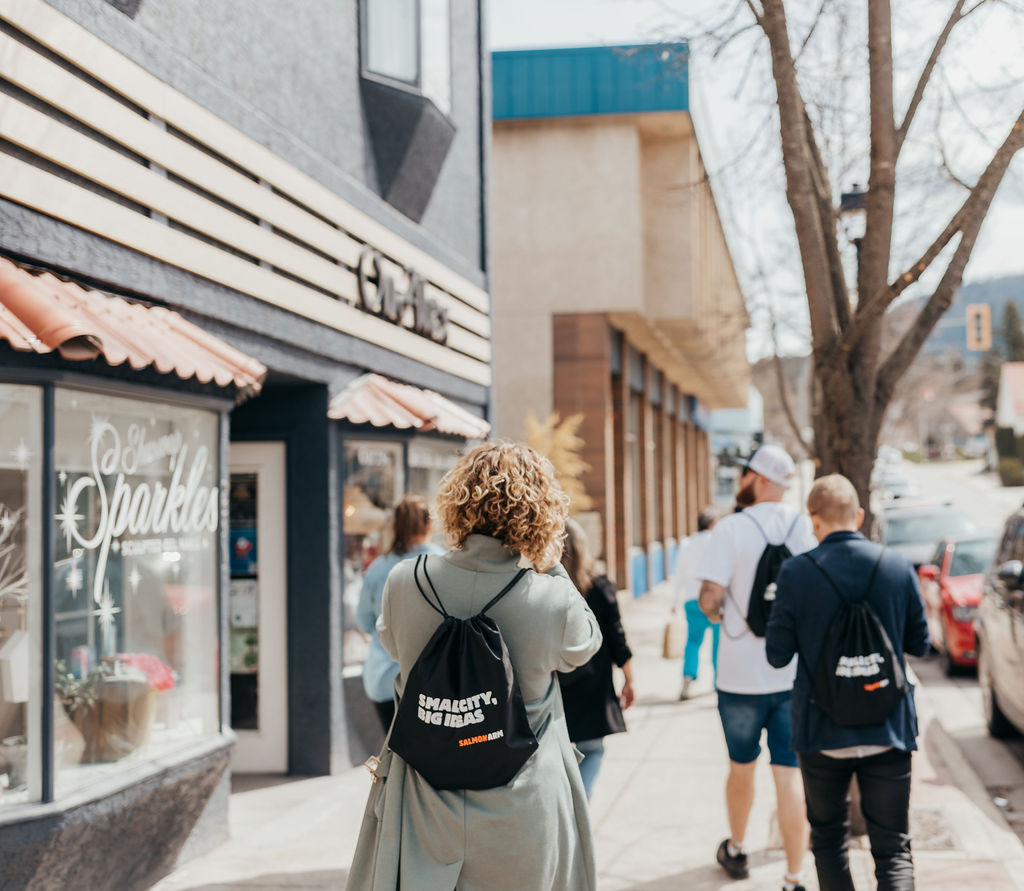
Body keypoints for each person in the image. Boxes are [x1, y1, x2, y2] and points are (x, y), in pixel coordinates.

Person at [347, 442, 602, 891]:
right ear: (540, 510)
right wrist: (551, 567)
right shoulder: (550, 598)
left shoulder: (405, 582)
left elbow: (390, 642)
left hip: (426, 805)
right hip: (524, 809)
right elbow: (585, 645)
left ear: (458, 502)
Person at [766, 474, 929, 891]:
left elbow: (777, 654)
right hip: (888, 725)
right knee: (893, 849)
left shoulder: (795, 573)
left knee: (828, 842)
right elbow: (920, 644)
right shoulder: (895, 566)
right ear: (857, 516)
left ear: (813, 521)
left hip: (822, 730)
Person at [697, 443, 817, 891]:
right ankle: (793, 875)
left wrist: (722, 613)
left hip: (739, 678)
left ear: (761, 479)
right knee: (789, 776)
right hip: (790, 676)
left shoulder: (730, 529)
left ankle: (738, 847)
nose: (742, 479)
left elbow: (709, 601)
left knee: (741, 767)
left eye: (747, 473)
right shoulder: (805, 528)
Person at [557, 517, 634, 798]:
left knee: (559, 758)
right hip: (593, 687)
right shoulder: (600, 586)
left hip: (556, 686)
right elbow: (617, 637)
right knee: (591, 751)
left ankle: (567, 813)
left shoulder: (543, 587)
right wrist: (628, 679)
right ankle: (581, 809)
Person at [355, 494, 443, 732]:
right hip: (432, 680)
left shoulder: (378, 568)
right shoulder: (442, 561)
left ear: (395, 525)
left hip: (383, 678)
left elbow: (364, 622)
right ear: (428, 524)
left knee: (393, 753)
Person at [672, 506, 721, 700]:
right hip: (715, 601)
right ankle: (719, 682)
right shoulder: (717, 542)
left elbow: (678, 574)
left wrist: (674, 602)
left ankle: (688, 677)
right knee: (718, 643)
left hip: (692, 600)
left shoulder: (686, 543)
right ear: (712, 524)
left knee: (693, 641)